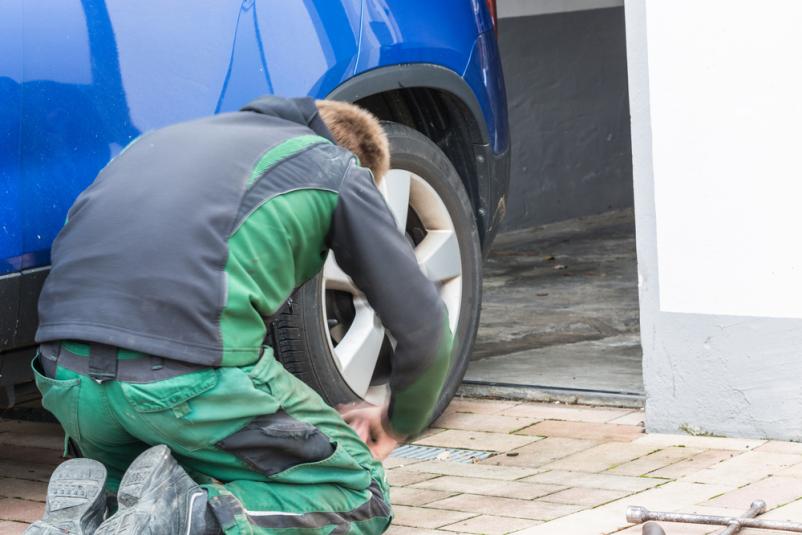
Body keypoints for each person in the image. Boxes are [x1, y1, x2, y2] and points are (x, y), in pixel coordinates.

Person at [25, 96, 454, 535]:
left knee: (152, 486)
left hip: (67, 379)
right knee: (359, 493)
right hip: (184, 383)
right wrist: (398, 421)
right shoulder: (334, 167)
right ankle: (188, 518)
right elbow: (425, 324)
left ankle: (93, 514)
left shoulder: (154, 143)